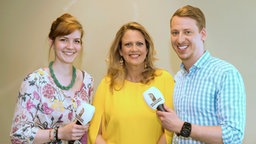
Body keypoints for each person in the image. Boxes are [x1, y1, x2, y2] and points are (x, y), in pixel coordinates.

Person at [156, 5, 246, 144]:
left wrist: (182, 127)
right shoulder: (178, 78)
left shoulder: (225, 74)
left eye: (187, 32)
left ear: (202, 34)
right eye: (175, 32)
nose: (180, 39)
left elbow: (233, 134)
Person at [10, 13, 94, 143]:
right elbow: (18, 135)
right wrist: (58, 133)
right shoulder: (34, 81)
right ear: (52, 42)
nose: (70, 46)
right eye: (64, 39)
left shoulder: (87, 80)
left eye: (76, 41)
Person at [88, 22, 175, 144]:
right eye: (128, 44)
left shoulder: (164, 79)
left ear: (147, 48)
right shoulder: (107, 84)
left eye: (139, 44)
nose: (134, 49)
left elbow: (169, 131)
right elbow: (95, 133)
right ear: (120, 51)